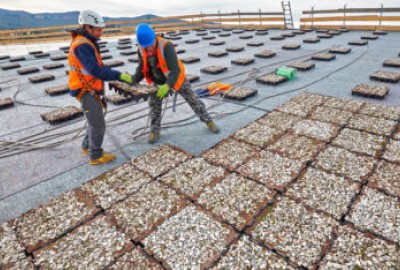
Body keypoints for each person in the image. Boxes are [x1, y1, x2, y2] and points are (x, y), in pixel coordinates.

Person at [131, 23, 220, 143]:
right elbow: (142, 68)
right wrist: (133, 80)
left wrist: (168, 86)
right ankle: (154, 130)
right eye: (146, 47)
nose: (149, 49)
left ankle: (209, 121)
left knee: (192, 99)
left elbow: (175, 70)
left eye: (150, 45)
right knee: (154, 104)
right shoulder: (141, 49)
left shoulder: (166, 46)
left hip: (176, 78)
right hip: (158, 80)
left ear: (154, 38)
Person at [68, 10, 133, 165]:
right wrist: (119, 75)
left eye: (101, 29)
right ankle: (96, 156)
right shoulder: (83, 45)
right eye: (97, 29)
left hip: (89, 87)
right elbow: (95, 70)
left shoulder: (85, 41)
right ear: (87, 27)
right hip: (85, 89)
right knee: (98, 124)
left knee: (94, 119)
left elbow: (97, 66)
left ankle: (86, 146)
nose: (100, 32)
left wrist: (111, 73)